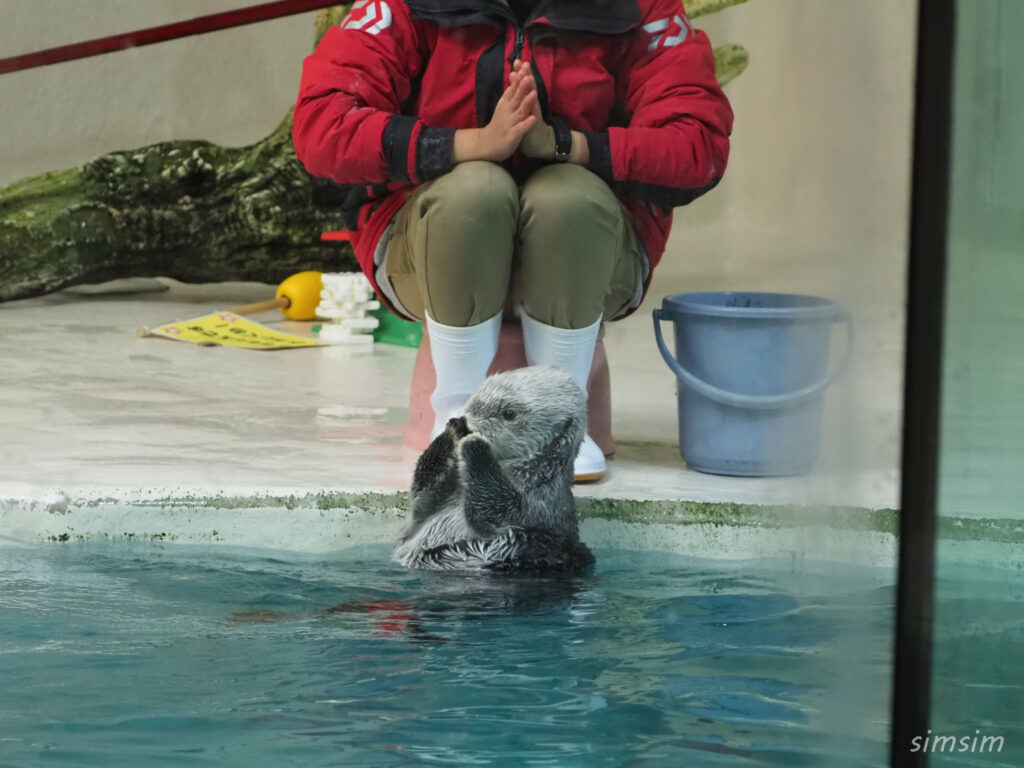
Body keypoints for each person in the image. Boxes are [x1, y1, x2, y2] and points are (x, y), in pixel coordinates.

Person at [293, 0, 733, 481]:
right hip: (428, 253)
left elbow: (698, 143)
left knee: (567, 197)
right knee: (475, 190)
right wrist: (468, 145)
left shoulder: (644, 7)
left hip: (592, 259)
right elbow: (321, 123)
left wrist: (567, 146)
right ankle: (458, 418)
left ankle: (560, 422)